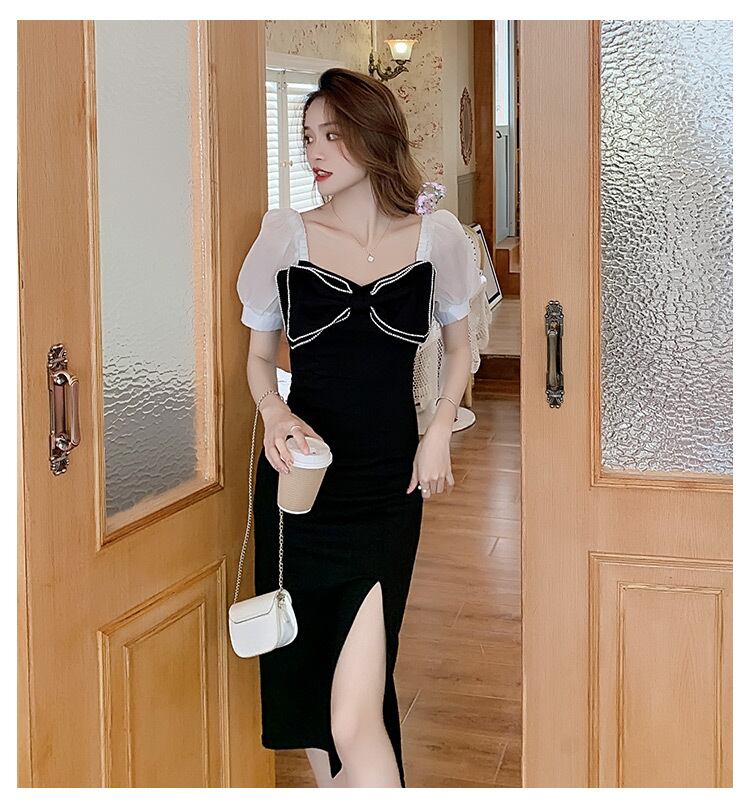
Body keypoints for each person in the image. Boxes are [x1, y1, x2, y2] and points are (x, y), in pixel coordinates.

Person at [236, 67, 482, 788]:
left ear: (373, 137)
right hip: (300, 492)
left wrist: (438, 429)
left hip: (384, 495)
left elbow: (462, 349)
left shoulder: (434, 238)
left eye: (331, 135)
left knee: (353, 717)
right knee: (319, 699)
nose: (313, 151)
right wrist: (275, 411)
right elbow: (258, 357)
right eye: (307, 136)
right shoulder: (286, 237)